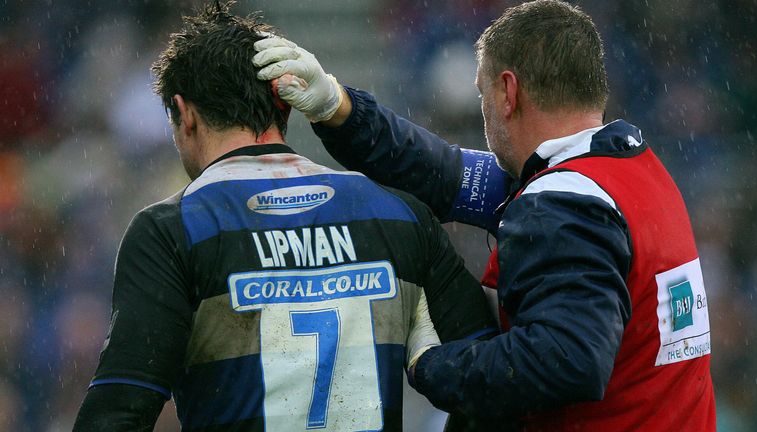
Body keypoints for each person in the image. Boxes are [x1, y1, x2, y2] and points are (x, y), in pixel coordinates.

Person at [252, 0, 717, 430]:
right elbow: (442, 171)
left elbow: (567, 361)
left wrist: (431, 364)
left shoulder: (561, 203)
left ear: (507, 91)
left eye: (482, 92)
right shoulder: (628, 170)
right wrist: (338, 107)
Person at [72, 2, 497, 431]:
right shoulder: (402, 216)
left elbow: (119, 411)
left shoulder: (171, 230)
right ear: (288, 106)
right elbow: (489, 381)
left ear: (184, 114)